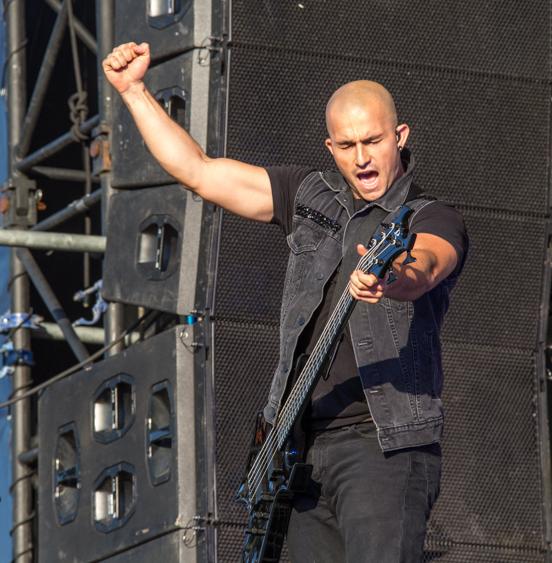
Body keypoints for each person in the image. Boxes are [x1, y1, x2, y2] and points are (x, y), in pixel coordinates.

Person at [104, 42, 469, 563]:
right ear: (330, 147)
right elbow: (200, 171)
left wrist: (393, 277)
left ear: (400, 137)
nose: (362, 157)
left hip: (380, 446)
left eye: (373, 141)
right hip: (297, 446)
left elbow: (427, 265)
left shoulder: (431, 217)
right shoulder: (307, 194)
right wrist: (134, 92)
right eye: (347, 146)